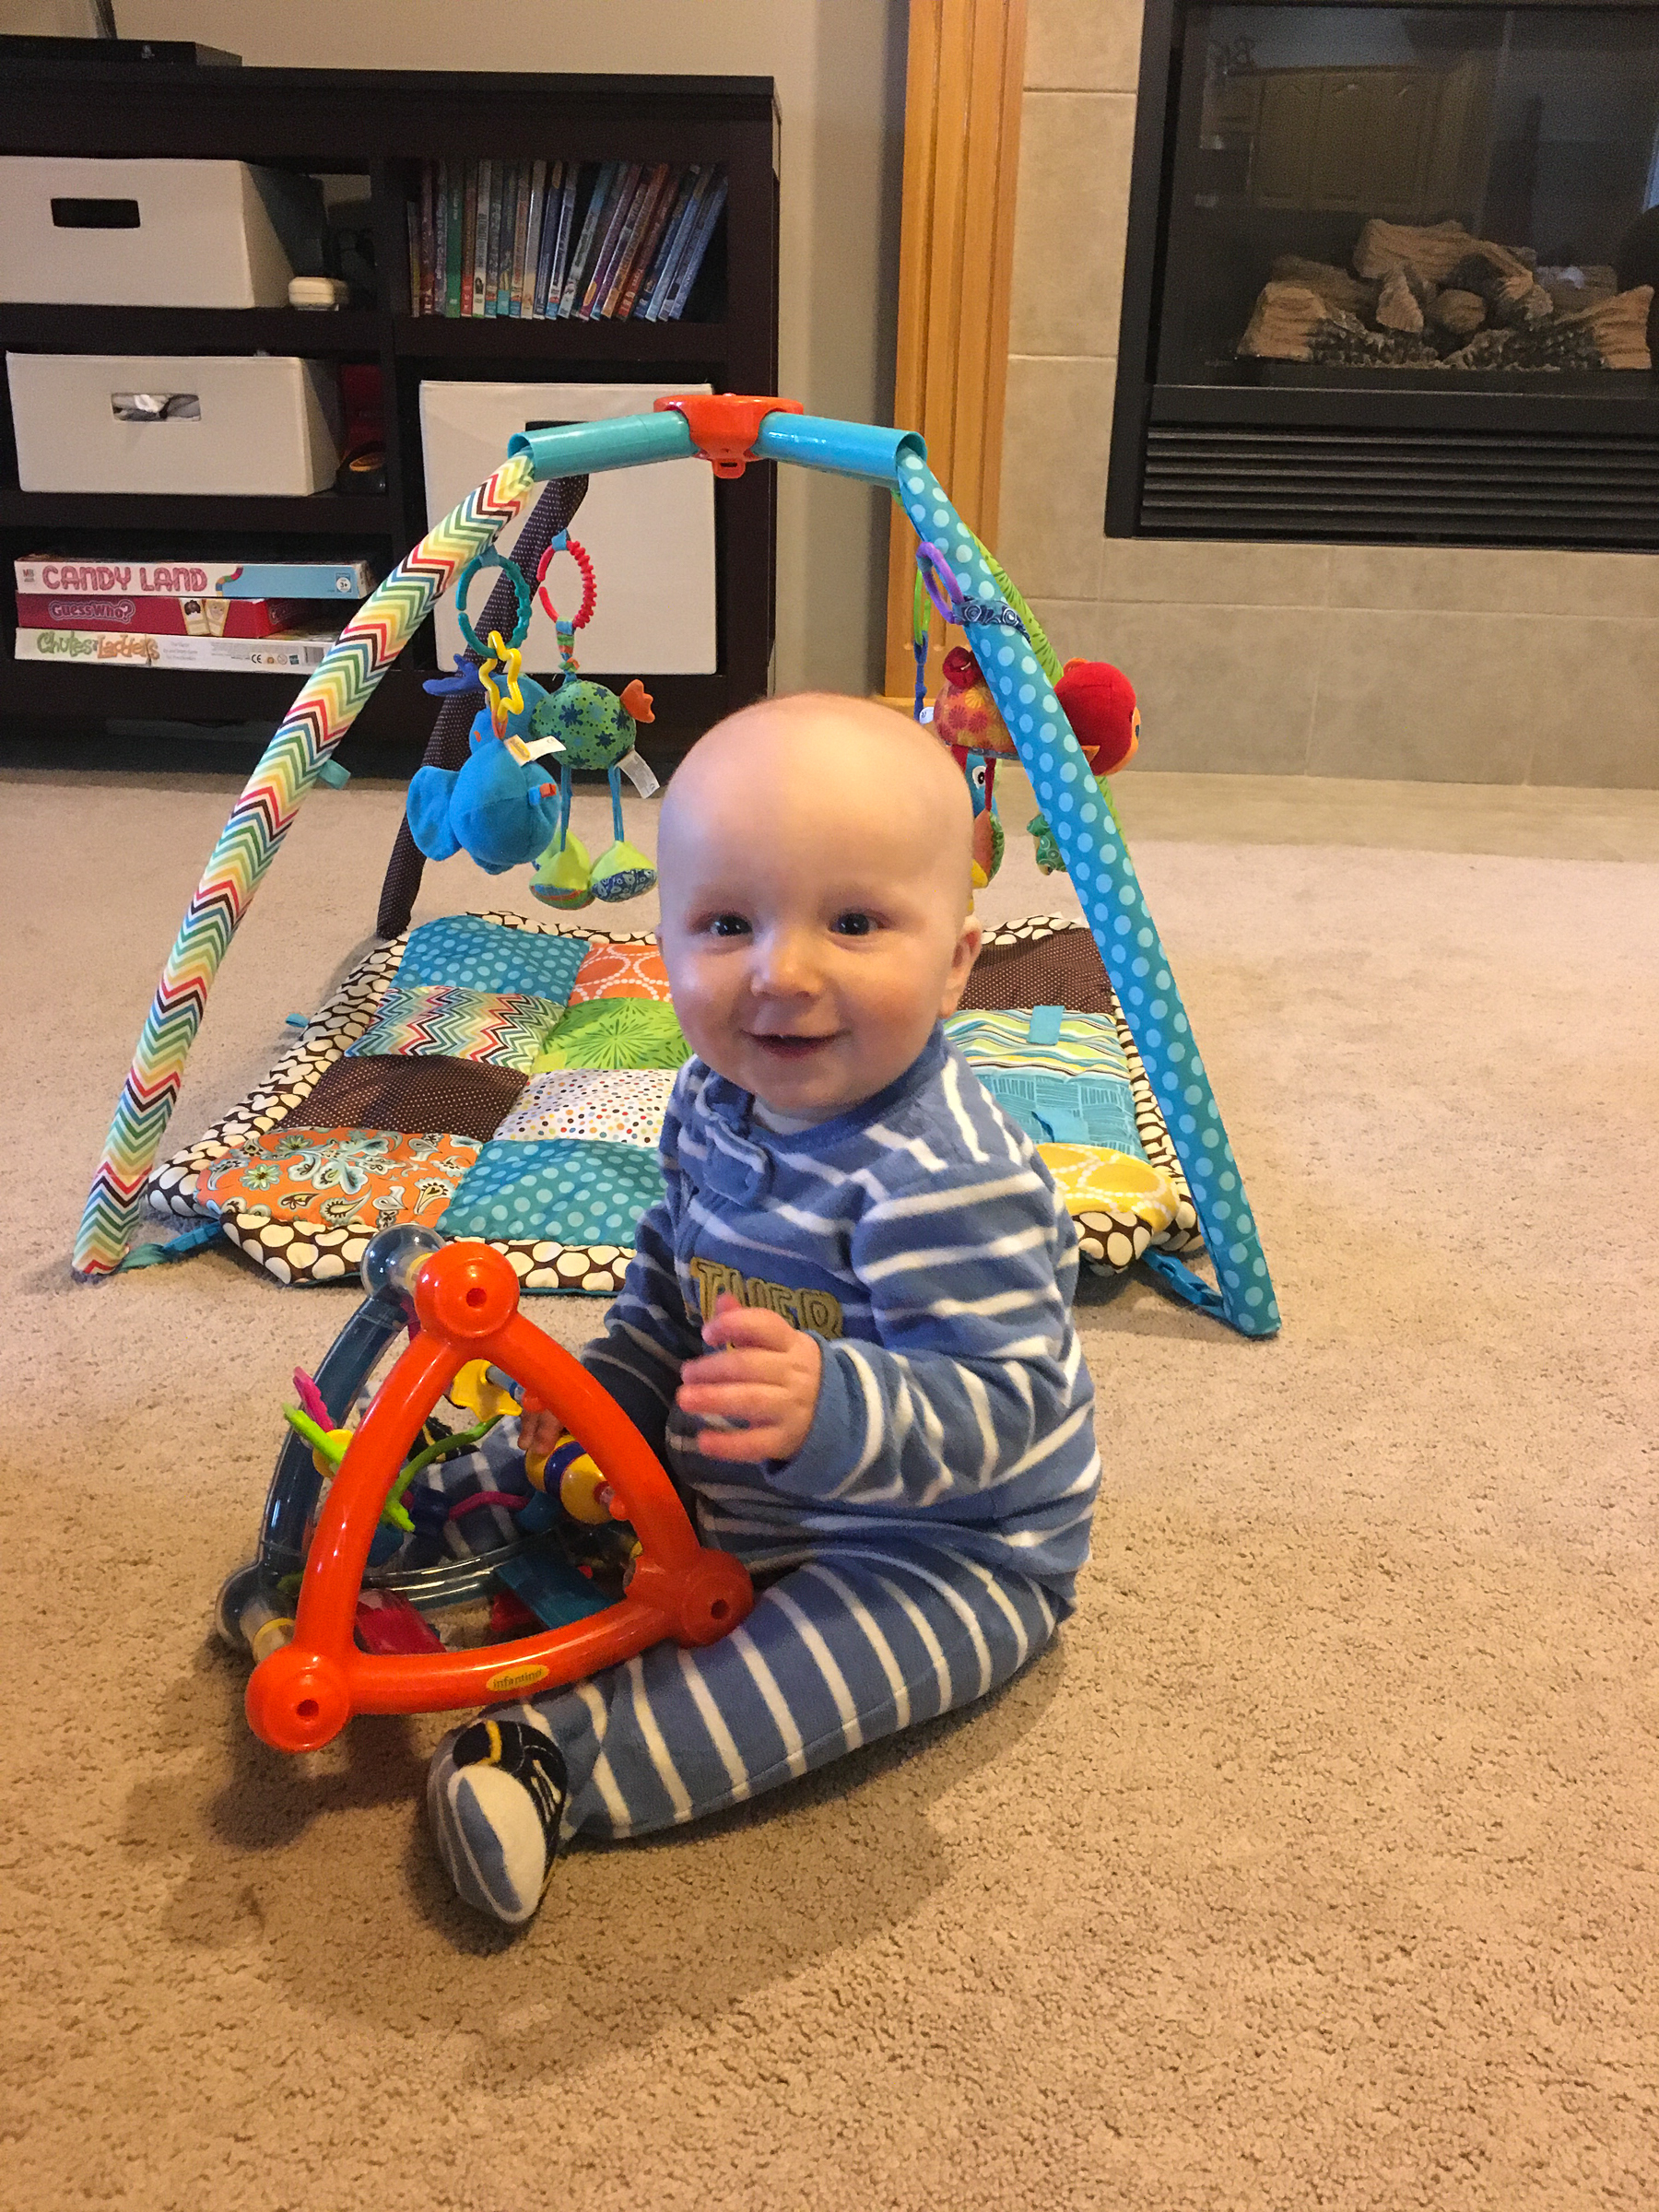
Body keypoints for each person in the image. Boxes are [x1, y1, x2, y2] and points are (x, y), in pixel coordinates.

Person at [427, 692, 1100, 1924]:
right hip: (735, 1464)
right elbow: (670, 1277)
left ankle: (552, 1764)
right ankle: (375, 1556)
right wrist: (607, 1393)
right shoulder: (706, 1095)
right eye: (728, 924)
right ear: (665, 944)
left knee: (814, 1669)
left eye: (855, 923)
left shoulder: (949, 1175)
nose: (783, 974)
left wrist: (832, 1405)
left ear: (956, 963)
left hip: (946, 1539)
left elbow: (1010, 1404)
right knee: (534, 1462)